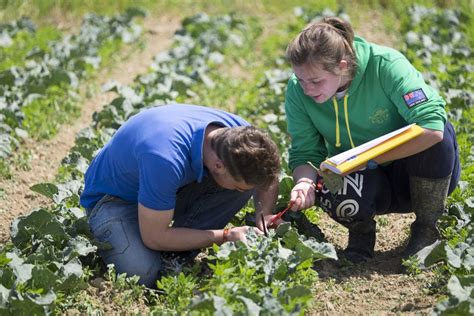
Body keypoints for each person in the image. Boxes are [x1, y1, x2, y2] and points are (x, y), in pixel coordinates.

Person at [283, 17, 460, 263]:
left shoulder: (386, 65)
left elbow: (432, 127)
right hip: (365, 180)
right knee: (327, 177)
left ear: (343, 66)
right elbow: (305, 153)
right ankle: (361, 234)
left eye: (315, 81)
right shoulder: (297, 90)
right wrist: (303, 183)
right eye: (300, 80)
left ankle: (427, 229)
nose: (306, 89)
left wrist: (371, 160)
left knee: (437, 136)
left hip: (416, 172)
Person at [80, 103, 281, 287]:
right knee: (142, 274)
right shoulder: (165, 159)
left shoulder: (239, 137)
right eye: (239, 186)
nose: (242, 191)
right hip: (115, 200)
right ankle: (169, 247)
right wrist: (226, 236)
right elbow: (154, 237)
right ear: (218, 165)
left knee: (240, 187)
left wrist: (264, 214)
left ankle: (177, 251)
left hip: (161, 185)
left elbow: (268, 178)